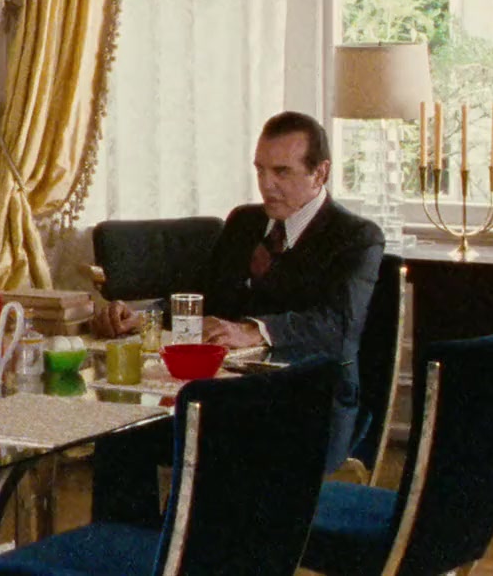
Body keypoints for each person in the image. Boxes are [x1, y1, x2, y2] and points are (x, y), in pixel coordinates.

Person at [90, 111, 384, 525]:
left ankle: (188, 550)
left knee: (217, 451)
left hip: (309, 407)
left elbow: (338, 326)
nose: (266, 185)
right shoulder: (245, 222)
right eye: (260, 170)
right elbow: (203, 298)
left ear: (320, 173)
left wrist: (254, 331)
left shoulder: (356, 237)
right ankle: (130, 550)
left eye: (281, 172)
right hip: (227, 396)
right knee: (120, 435)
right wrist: (142, 319)